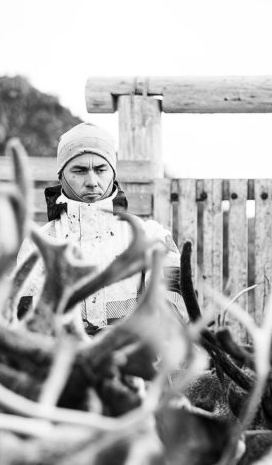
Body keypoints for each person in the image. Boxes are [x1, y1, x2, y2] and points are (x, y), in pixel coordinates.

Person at [16, 122, 186, 333]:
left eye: (100, 169)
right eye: (79, 170)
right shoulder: (38, 244)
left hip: (135, 362)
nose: (92, 181)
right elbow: (27, 325)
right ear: (61, 176)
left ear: (113, 173)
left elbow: (173, 317)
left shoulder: (152, 237)